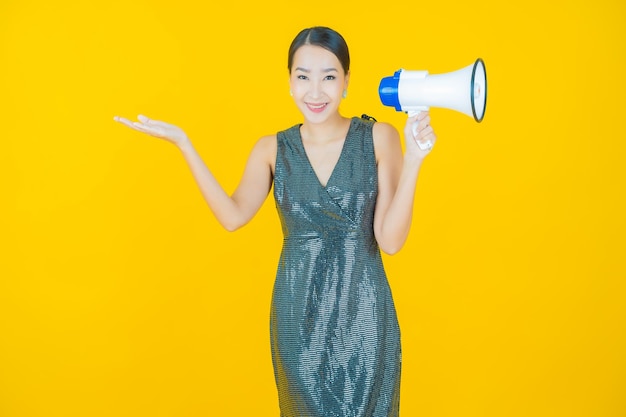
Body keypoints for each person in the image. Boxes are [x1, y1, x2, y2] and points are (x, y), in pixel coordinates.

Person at [114, 26, 436, 417]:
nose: (315, 92)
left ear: (347, 81)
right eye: (303, 77)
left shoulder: (379, 137)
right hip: (297, 318)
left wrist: (416, 158)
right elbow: (232, 217)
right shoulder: (271, 149)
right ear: (289, 81)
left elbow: (390, 240)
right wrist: (185, 144)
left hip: (364, 317)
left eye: (329, 77)